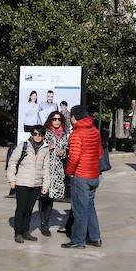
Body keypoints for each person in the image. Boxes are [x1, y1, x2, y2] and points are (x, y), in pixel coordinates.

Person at [61, 105, 103, 250]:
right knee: (90, 206)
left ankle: (78, 240)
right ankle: (95, 237)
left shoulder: (77, 134)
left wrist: (68, 172)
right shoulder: (95, 131)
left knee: (79, 209)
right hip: (94, 175)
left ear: (73, 117)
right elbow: (99, 153)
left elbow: (74, 158)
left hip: (81, 176)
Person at [7, 125, 50, 243]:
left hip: (36, 184)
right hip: (22, 182)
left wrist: (45, 185)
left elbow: (46, 168)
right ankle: (18, 233)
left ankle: (26, 231)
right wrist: (12, 179)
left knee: (29, 209)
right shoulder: (24, 145)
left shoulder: (45, 148)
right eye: (35, 134)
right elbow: (12, 162)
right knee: (21, 208)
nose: (38, 136)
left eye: (40, 134)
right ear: (32, 134)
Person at [39, 111, 69, 236]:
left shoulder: (63, 135)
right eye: (54, 119)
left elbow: (66, 152)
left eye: (59, 119)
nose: (56, 121)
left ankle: (46, 222)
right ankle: (43, 224)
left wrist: (63, 153)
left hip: (57, 171)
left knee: (51, 197)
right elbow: (38, 149)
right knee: (43, 196)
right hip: (45, 169)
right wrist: (47, 149)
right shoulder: (45, 133)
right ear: (50, 120)